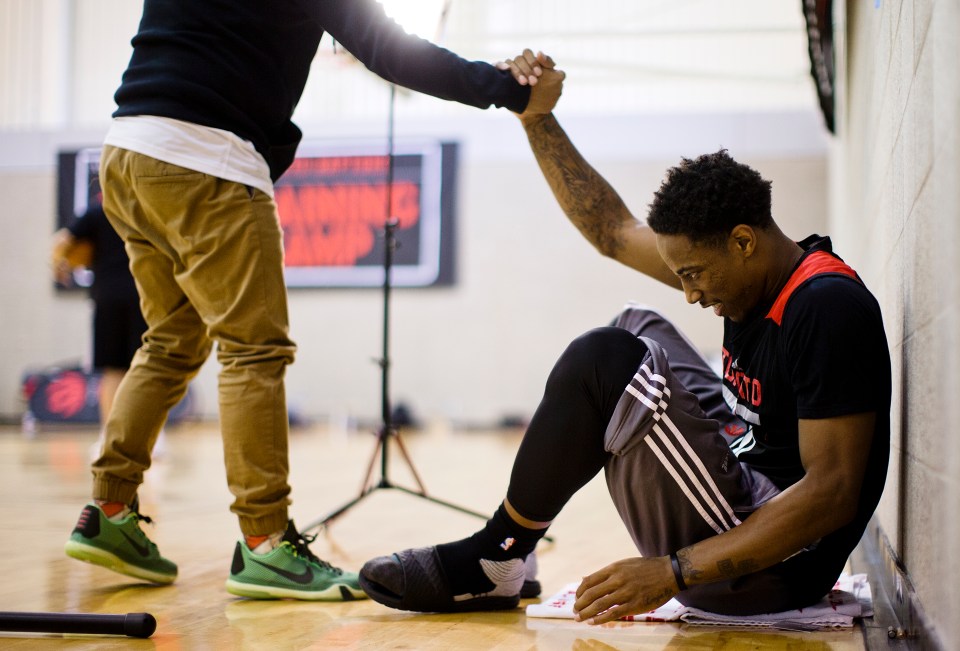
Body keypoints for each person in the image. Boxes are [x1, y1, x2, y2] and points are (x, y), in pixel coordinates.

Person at [358, 55, 891, 621]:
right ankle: (512, 552)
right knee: (636, 323)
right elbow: (611, 231)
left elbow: (832, 497)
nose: (689, 294)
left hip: (769, 566)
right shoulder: (752, 278)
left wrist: (672, 571)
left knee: (605, 362)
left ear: (742, 241)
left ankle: (496, 557)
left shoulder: (825, 307)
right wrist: (535, 117)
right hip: (743, 476)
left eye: (693, 275)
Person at [63, 0, 563, 601]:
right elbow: (389, 50)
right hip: (207, 159)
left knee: (171, 340)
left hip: (129, 152)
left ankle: (109, 508)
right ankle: (266, 544)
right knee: (254, 349)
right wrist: (507, 88)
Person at [51, 202, 149, 437]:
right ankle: (150, 438)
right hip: (144, 294)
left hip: (107, 297)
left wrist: (58, 267)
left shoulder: (97, 212)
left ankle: (109, 436)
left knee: (113, 370)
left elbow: (61, 241)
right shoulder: (144, 209)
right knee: (145, 369)